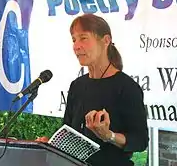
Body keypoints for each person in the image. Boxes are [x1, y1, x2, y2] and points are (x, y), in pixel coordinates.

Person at [37, 13, 148, 166]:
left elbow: (140, 142)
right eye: (74, 40)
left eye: (83, 38)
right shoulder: (77, 86)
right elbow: (68, 132)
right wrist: (51, 145)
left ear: (106, 40)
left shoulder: (127, 87)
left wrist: (109, 136)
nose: (77, 46)